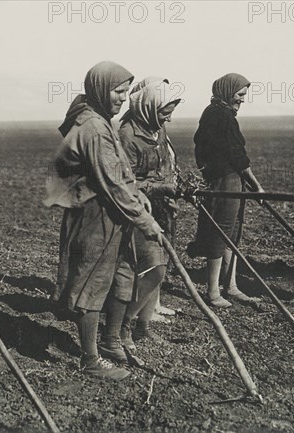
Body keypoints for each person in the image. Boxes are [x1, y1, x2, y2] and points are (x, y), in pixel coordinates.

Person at [44, 61, 163, 380]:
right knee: (92, 283)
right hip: (94, 216)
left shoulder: (98, 119)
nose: (123, 97)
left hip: (106, 214)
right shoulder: (94, 127)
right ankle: (90, 360)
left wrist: (137, 193)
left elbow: (118, 174)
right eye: (118, 90)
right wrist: (145, 221)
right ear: (99, 88)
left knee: (107, 278)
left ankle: (106, 344)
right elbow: (110, 183)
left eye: (126, 91)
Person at [100, 77, 181, 353]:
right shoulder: (127, 134)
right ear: (148, 106)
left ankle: (142, 327)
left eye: (171, 109)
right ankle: (123, 326)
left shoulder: (157, 129)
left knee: (158, 268)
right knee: (150, 270)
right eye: (164, 110)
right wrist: (161, 186)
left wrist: (178, 185)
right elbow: (125, 181)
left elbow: (167, 164)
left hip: (160, 207)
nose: (168, 116)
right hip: (135, 209)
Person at [187, 73, 264, 308]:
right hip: (227, 179)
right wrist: (257, 185)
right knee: (223, 231)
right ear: (227, 91)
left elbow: (199, 145)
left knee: (231, 232)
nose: (242, 100)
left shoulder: (212, 112)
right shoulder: (223, 116)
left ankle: (230, 286)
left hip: (224, 177)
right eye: (239, 95)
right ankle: (213, 292)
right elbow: (237, 155)